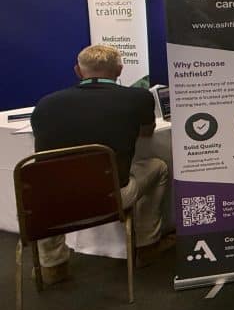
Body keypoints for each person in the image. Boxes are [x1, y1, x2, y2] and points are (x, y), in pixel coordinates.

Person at [30, 45, 173, 284]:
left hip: (52, 202)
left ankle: (53, 265)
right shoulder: (138, 98)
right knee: (158, 167)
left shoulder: (45, 104)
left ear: (78, 71)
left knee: (45, 189)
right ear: (119, 70)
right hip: (110, 197)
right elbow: (146, 133)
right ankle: (147, 245)